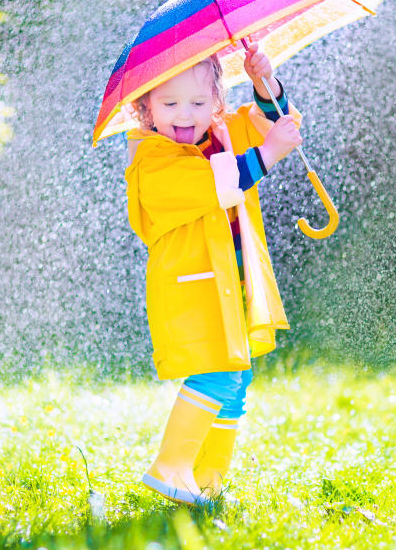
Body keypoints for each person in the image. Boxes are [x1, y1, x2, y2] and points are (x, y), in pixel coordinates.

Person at [124, 42, 302, 506]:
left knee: (236, 382)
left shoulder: (221, 132)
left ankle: (208, 482)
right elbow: (217, 185)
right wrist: (267, 155)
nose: (185, 114)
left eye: (199, 103)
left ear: (218, 104)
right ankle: (171, 466)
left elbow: (276, 124)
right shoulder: (152, 158)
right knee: (218, 376)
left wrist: (266, 83)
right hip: (194, 291)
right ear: (144, 108)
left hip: (235, 284)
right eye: (169, 103)